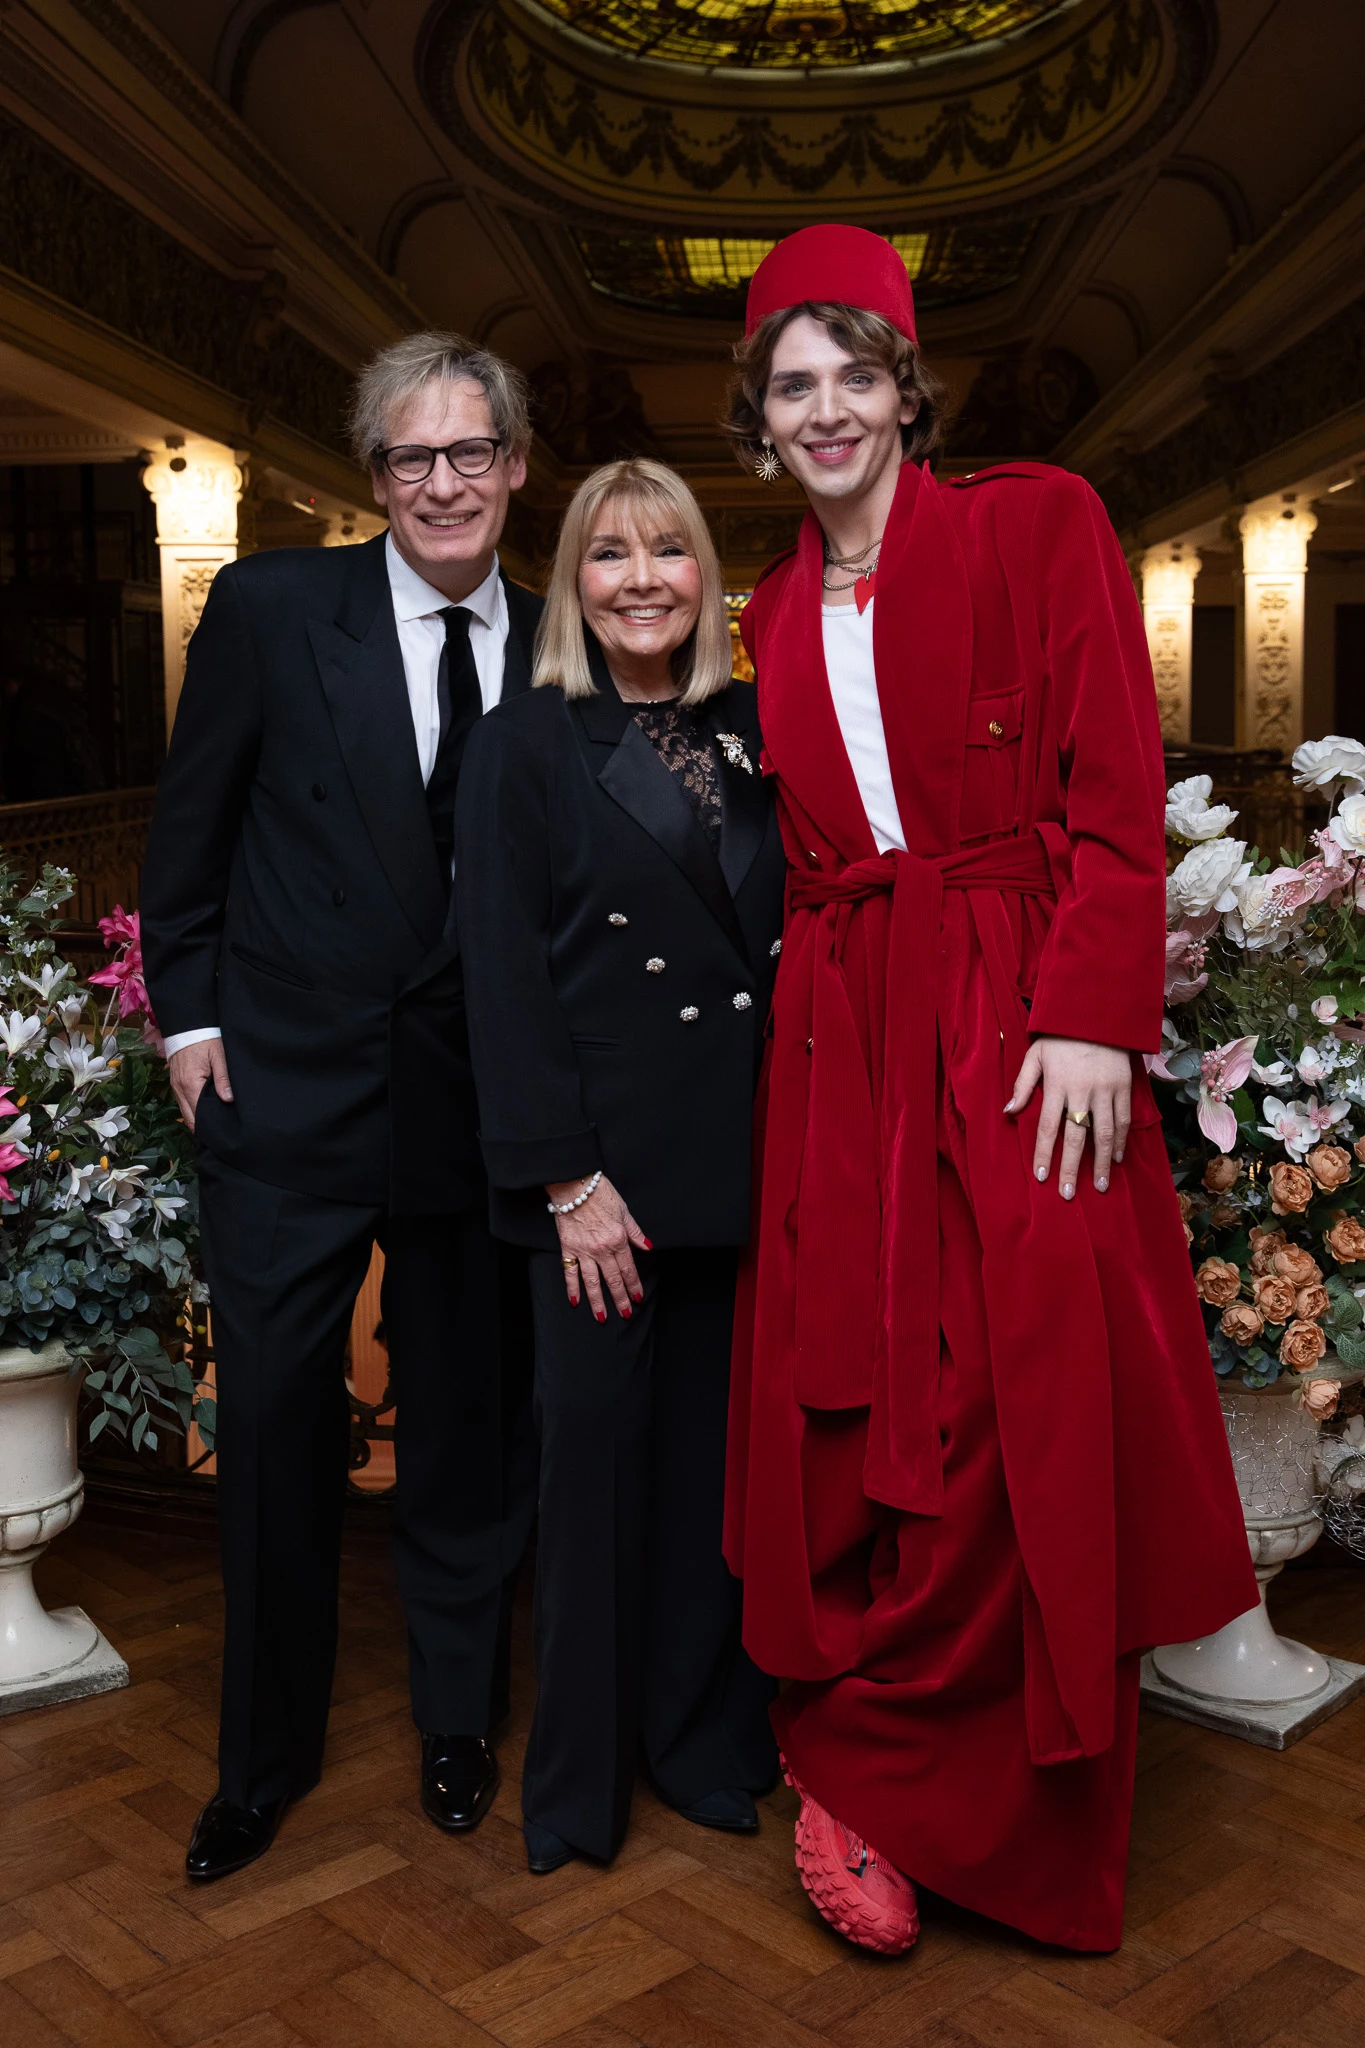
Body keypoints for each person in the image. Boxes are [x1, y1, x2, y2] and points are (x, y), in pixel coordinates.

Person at [720, 227, 1258, 1956]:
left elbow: (1117, 774)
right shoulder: (775, 608)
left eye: (853, 376)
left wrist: (1093, 1010)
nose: (826, 411)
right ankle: (873, 1760)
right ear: (762, 414)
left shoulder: (1041, 521)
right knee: (885, 1413)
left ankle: (943, 1788)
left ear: (903, 386)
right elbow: (817, 867)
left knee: (1024, 1409)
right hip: (859, 1037)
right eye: (792, 386)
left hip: (1029, 1025)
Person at [140, 332, 542, 1883]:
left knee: (463, 1432)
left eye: (468, 454)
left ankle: (459, 1720)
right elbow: (193, 832)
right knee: (283, 1437)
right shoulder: (266, 608)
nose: (441, 485)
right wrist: (188, 1019)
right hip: (285, 1093)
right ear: (373, 478)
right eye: (409, 459)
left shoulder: (567, 636)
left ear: (514, 466)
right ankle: (264, 1760)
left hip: (473, 1107)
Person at [456, 458, 785, 1874]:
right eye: (609, 554)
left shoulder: (762, 726)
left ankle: (701, 1745)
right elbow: (502, 980)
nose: (642, 577)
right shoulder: (528, 743)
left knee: (716, 1478)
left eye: (669, 550)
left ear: (707, 576)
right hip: (599, 1187)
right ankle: (579, 1791)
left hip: (744, 1167)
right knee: (588, 1487)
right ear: (572, 584)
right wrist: (567, 1183)